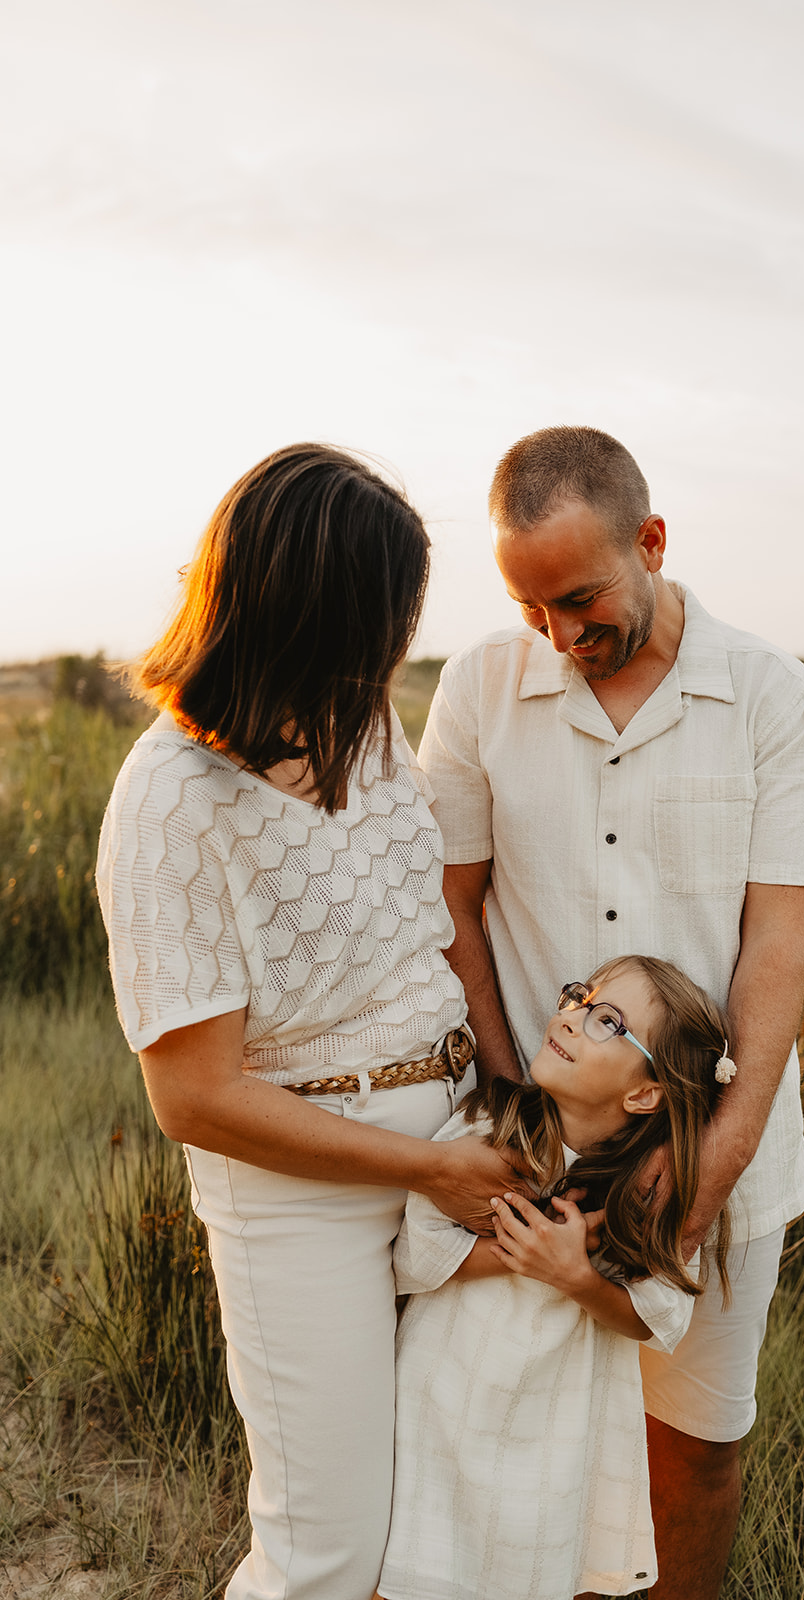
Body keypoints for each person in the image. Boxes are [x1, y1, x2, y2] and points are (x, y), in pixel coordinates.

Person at [418, 425, 804, 1599]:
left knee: (692, 1461)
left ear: (650, 541)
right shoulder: (475, 690)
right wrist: (509, 1106)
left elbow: (774, 957)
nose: (557, 635)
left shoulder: (771, 696)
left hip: (712, 1150)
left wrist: (704, 1180)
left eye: (580, 597)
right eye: (527, 605)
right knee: (512, 1447)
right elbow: (454, 907)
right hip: (529, 1154)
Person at [95, 443, 522, 1600]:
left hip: (451, 1139)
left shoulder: (364, 725)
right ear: (302, 611)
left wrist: (493, 1103)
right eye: (380, 619)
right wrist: (425, 1166)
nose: (393, 648)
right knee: (326, 1548)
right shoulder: (171, 796)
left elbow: (426, 927)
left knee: (439, 1522)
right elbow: (193, 1096)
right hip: (301, 1187)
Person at [375, 955, 735, 1600]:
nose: (569, 1016)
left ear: (645, 1093)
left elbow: (659, 1318)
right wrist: (532, 1252)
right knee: (414, 1563)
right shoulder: (491, 1123)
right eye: (578, 997)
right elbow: (414, 1253)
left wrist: (579, 1279)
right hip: (441, 1396)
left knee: (526, 1566)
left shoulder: (647, 1191)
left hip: (554, 1425)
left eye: (606, 1022)